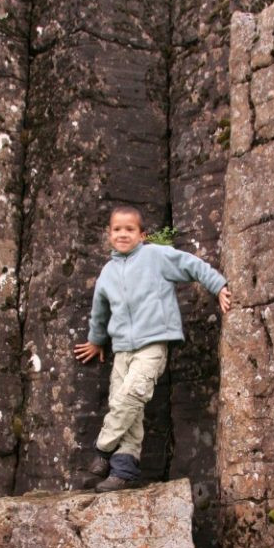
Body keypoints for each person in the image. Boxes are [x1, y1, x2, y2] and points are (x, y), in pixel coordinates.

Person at [74, 205, 231, 492]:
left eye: (129, 229)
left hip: (153, 345)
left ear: (142, 235)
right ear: (109, 234)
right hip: (122, 350)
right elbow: (99, 312)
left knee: (131, 396)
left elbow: (192, 265)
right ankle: (123, 471)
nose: (123, 234)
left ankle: (102, 450)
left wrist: (218, 285)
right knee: (125, 407)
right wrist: (96, 340)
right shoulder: (107, 273)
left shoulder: (155, 256)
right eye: (117, 229)